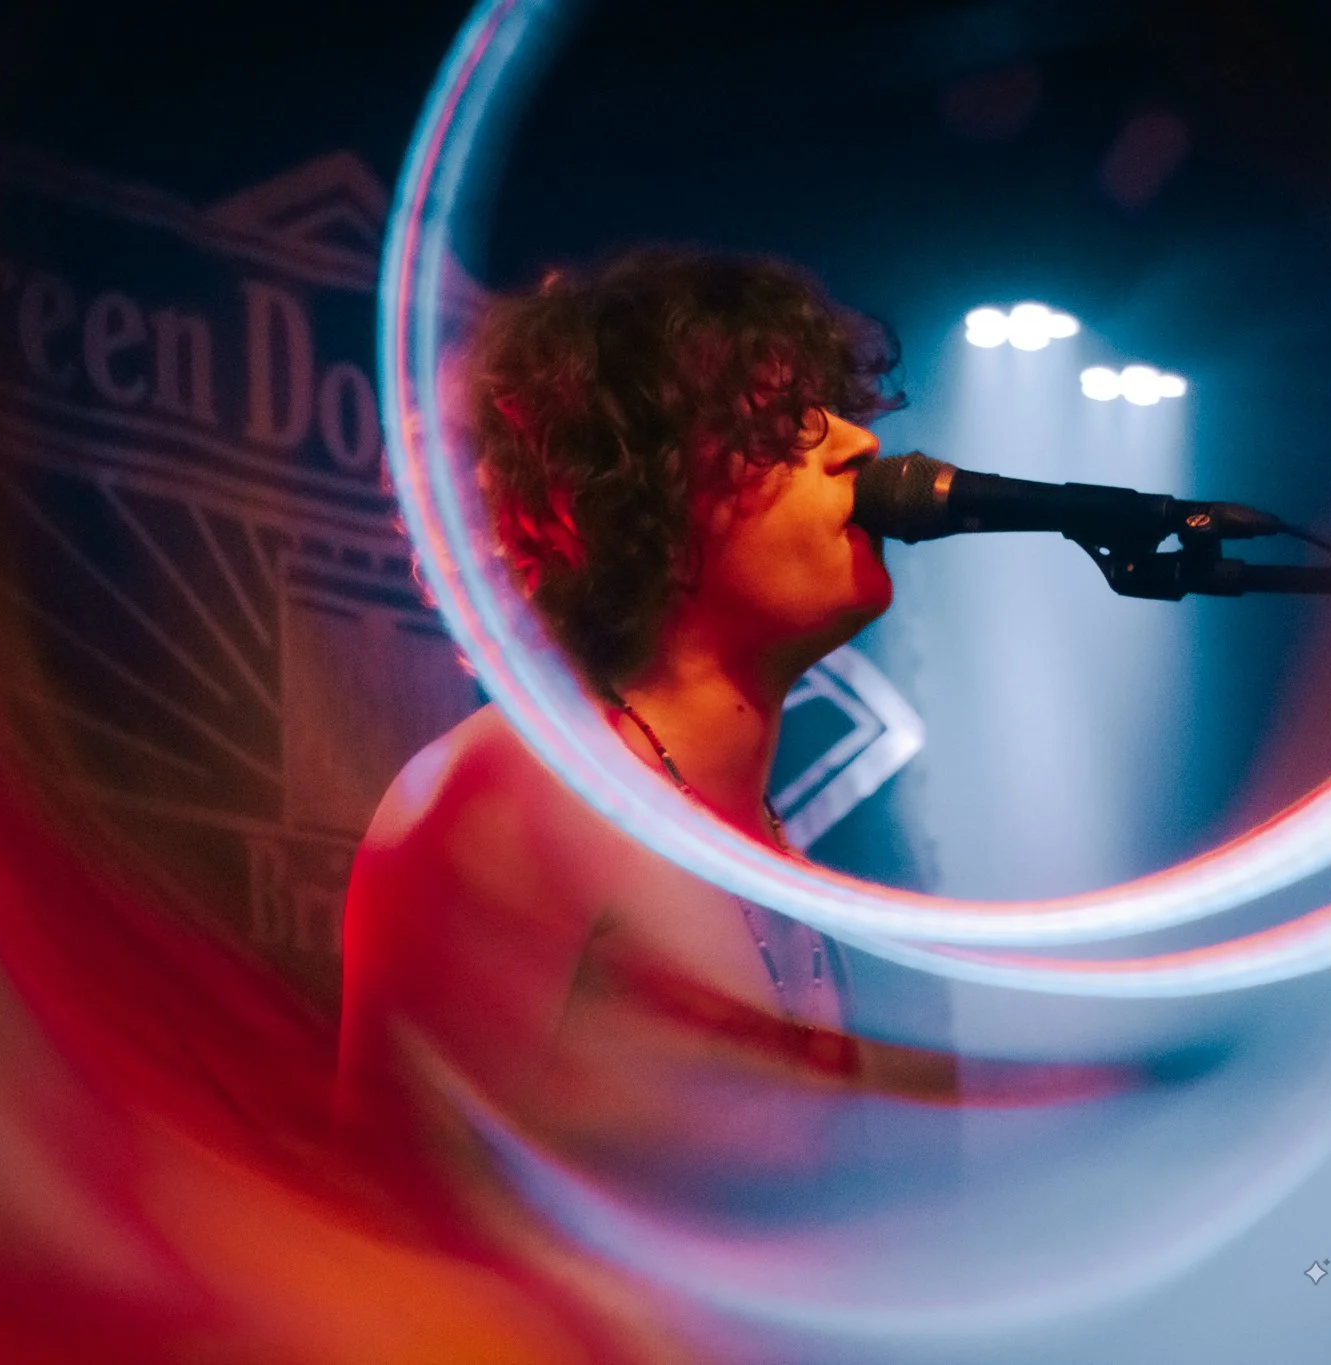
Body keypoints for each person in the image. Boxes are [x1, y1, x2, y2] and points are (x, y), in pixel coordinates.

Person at [337, 249, 1130, 1184]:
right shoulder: (508, 794)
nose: (859, 444)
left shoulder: (781, 863)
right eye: (783, 425)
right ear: (633, 487)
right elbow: (393, 1208)